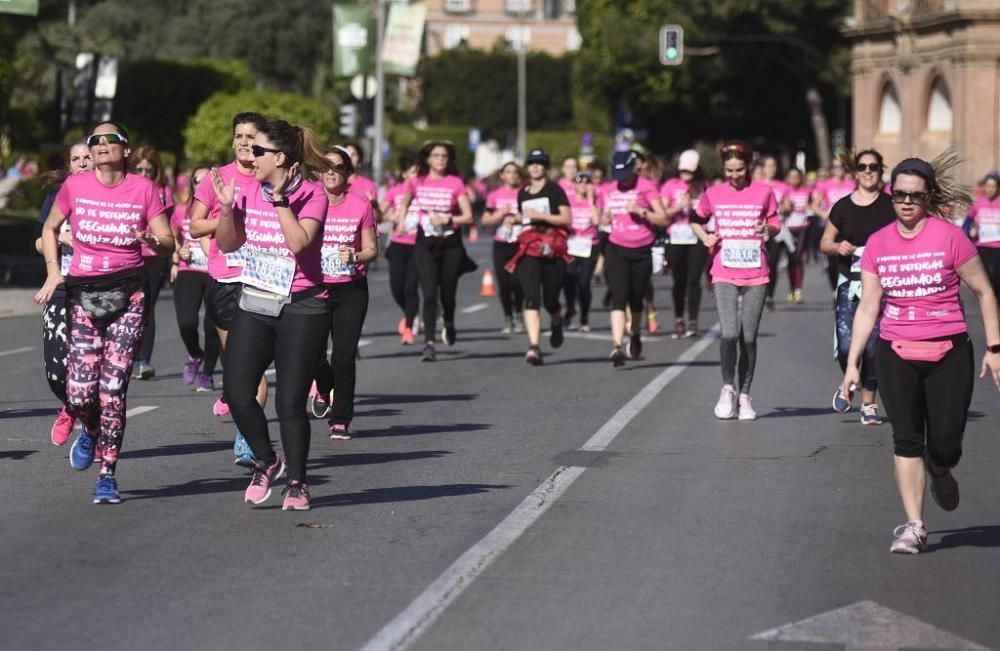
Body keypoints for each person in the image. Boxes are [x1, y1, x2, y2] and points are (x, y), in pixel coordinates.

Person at [839, 154, 1000, 554]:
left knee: (945, 445)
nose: (907, 202)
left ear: (928, 197)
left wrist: (994, 347)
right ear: (891, 195)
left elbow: (984, 292)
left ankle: (941, 466)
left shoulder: (950, 238)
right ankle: (914, 525)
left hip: (949, 353)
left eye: (916, 195)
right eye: (900, 195)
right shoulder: (878, 243)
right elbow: (869, 307)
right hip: (896, 352)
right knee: (905, 439)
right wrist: (853, 363)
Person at [34, 121, 174, 504]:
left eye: (110, 140)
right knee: (79, 393)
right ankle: (91, 429)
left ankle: (107, 474)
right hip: (83, 296)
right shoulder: (75, 186)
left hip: (128, 296)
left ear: (125, 150)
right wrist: (53, 271)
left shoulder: (143, 189)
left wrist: (152, 240)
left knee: (112, 390)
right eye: (95, 140)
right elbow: (49, 229)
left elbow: (168, 241)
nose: (101, 145)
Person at [214, 119, 331, 511]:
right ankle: (267, 460)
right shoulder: (246, 190)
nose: (250, 155)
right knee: (236, 391)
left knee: (290, 402)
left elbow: (299, 243)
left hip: (303, 305)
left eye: (258, 150)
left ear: (280, 158)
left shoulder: (314, 194)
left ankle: (297, 482)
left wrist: (280, 201)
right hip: (257, 300)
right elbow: (229, 245)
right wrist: (227, 209)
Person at [189, 112, 269, 463]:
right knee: (235, 363)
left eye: (250, 135)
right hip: (225, 278)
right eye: (238, 135)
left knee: (252, 365)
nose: (243, 141)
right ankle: (247, 422)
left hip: (263, 280)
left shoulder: (274, 178)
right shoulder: (217, 177)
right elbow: (193, 226)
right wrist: (225, 215)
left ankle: (247, 436)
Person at [692, 141, 779, 420]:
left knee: (748, 337)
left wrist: (769, 228)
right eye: (729, 170)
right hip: (724, 270)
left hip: (756, 272)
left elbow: (776, 223)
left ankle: (745, 394)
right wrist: (704, 236)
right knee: (729, 333)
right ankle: (727, 387)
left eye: (739, 169)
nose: (734, 175)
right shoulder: (713, 193)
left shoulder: (764, 192)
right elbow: (695, 219)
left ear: (748, 166)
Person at [821, 150, 895, 425]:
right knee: (846, 346)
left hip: (882, 287)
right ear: (855, 172)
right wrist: (838, 245)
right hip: (849, 284)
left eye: (873, 166)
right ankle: (849, 376)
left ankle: (868, 402)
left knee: (874, 347)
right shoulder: (842, 207)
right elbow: (824, 242)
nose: (867, 171)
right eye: (862, 166)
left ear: (880, 170)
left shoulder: (891, 205)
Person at [309, 146, 378, 439]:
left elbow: (373, 250)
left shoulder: (360, 205)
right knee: (312, 355)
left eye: (337, 167)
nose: (331, 171)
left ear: (348, 173)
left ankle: (341, 417)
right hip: (313, 287)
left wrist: (356, 257)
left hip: (350, 290)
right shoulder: (308, 201)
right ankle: (324, 387)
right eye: (325, 166)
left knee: (344, 357)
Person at [32, 140, 93, 446]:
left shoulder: (106, 196)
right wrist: (61, 239)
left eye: (87, 157)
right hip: (59, 287)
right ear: (70, 164)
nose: (82, 162)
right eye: (76, 158)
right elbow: (40, 241)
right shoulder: (57, 195)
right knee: (57, 371)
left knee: (89, 365)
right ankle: (69, 405)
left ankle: (88, 420)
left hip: (95, 290)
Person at [397, 140, 474, 362]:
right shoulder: (417, 181)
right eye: (436, 155)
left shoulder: (455, 183)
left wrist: (448, 218)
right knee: (429, 293)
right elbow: (404, 203)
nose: (441, 159)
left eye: (444, 156)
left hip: (450, 243)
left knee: (447, 293)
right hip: (425, 242)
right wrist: (402, 222)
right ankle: (429, 343)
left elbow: (468, 216)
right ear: (428, 159)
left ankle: (448, 321)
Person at [603, 150, 668, 366]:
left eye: (626, 175)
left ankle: (636, 332)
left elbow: (663, 219)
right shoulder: (609, 189)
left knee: (636, 299)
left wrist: (641, 211)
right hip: (616, 249)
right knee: (619, 297)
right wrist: (605, 217)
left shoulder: (646, 186)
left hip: (641, 251)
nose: (622, 180)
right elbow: (603, 216)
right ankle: (617, 346)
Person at [507, 149, 572, 364]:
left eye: (539, 163)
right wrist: (513, 220)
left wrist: (541, 216)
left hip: (552, 249)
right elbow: (523, 216)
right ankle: (534, 346)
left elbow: (566, 219)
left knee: (550, 299)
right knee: (532, 296)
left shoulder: (555, 191)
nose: (535, 166)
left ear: (545, 167)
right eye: (531, 163)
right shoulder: (523, 192)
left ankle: (555, 320)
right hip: (529, 248)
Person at [169, 165, 221, 391]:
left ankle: (207, 374)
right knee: (186, 321)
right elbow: (172, 234)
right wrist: (177, 253)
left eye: (206, 180)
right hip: (189, 270)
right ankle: (195, 354)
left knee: (212, 325)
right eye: (197, 181)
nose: (201, 185)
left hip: (214, 271)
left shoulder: (221, 208)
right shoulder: (182, 210)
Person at [129, 146, 175, 379]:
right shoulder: (125, 189)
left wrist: (172, 261)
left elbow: (171, 230)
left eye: (149, 170)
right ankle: (126, 357)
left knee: (147, 307)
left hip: (154, 256)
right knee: (128, 307)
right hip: (128, 255)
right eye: (139, 169)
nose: (144, 174)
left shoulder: (164, 192)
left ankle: (143, 361)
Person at [661, 149, 706, 338]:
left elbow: (709, 211)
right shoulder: (670, 185)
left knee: (694, 280)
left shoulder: (703, 186)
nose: (685, 174)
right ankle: (679, 318)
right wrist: (680, 206)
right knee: (679, 281)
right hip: (676, 237)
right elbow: (662, 213)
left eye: (689, 171)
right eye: (682, 171)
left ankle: (693, 321)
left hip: (696, 238)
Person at [482, 161, 526, 334]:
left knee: (518, 282)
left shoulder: (525, 194)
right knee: (504, 284)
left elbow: (533, 216)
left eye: (515, 172)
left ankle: (518, 313)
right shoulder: (494, 196)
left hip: (521, 243)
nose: (512, 175)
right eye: (508, 172)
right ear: (502, 175)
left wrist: (516, 218)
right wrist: (499, 214)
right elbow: (485, 221)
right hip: (501, 243)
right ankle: (508, 316)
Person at [382, 155, 421, 344]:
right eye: (413, 172)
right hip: (398, 243)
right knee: (397, 287)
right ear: (405, 174)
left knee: (410, 287)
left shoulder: (424, 191)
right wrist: (392, 217)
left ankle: (408, 327)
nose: (416, 176)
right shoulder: (395, 190)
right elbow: (380, 213)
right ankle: (411, 312)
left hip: (418, 245)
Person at [564, 170, 601, 333]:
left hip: (589, 245)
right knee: (569, 280)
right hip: (571, 245)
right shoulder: (568, 201)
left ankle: (584, 316)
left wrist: (591, 201)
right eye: (579, 182)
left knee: (584, 283)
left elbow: (597, 220)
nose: (582, 186)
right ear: (574, 185)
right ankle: (571, 306)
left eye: (586, 182)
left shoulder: (595, 201)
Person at [813, 158, 856, 292]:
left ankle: (846, 287)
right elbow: (814, 206)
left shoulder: (852, 185)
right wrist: (824, 214)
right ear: (832, 169)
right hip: (832, 227)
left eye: (842, 166)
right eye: (836, 166)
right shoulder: (825, 185)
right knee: (833, 262)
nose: (839, 169)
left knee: (848, 256)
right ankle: (834, 289)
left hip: (849, 226)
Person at [782, 167, 814, 304]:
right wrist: (786, 207)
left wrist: (809, 208)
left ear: (801, 177)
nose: (794, 179)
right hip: (788, 227)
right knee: (791, 259)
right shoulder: (785, 190)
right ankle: (791, 288)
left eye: (797, 176)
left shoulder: (807, 190)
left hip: (803, 227)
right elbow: (781, 208)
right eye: (791, 176)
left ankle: (799, 290)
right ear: (788, 178)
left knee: (798, 256)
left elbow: (813, 205)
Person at [967, 171, 1000, 300]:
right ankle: (989, 307)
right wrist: (972, 229)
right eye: (987, 186)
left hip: (998, 247)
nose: (990, 189)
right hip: (982, 246)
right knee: (986, 279)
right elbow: (967, 224)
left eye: (993, 186)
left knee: (997, 278)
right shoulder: (978, 204)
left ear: (997, 187)